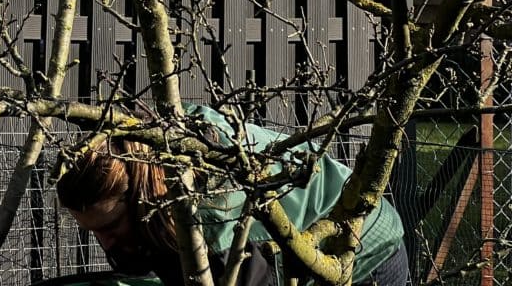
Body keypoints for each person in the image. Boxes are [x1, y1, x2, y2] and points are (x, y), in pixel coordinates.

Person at [55, 106, 411, 286]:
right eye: (93, 231)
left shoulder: (213, 218)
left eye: (110, 226)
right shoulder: (147, 148)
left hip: (364, 241)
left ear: (140, 197)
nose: (105, 241)